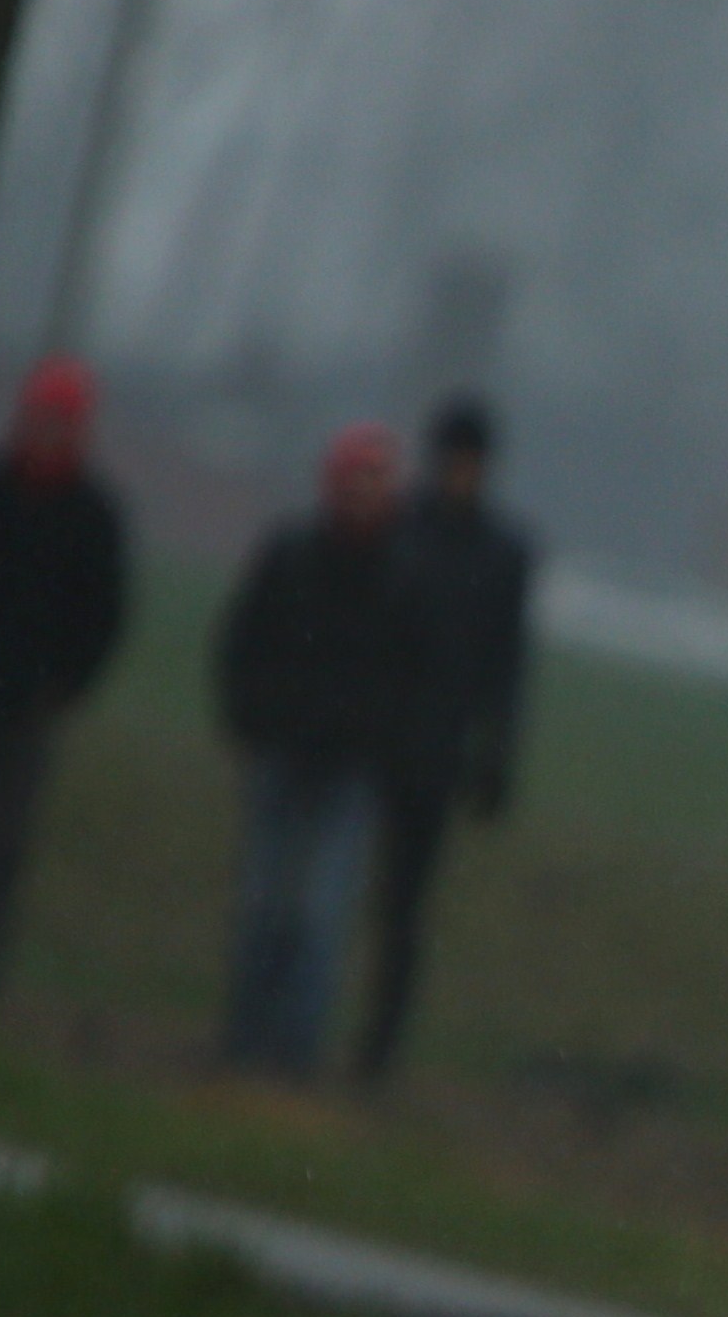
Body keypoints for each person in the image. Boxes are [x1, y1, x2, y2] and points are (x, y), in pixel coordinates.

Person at [211, 427, 429, 1074]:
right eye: (356, 478)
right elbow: (243, 637)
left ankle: (294, 1054)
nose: (364, 492)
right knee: (263, 902)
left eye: (377, 480)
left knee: (319, 915)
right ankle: (242, 1040)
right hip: (282, 749)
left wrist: (385, 744)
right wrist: (250, 717)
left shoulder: (404, 574)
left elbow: (415, 676)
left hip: (354, 768)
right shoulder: (291, 552)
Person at [354, 394, 537, 1085]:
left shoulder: (503, 555)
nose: (462, 473)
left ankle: (379, 1046)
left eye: (472, 462)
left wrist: (497, 755)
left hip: (436, 755)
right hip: (370, 740)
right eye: (455, 460)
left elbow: (507, 667)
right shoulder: (398, 529)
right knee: (345, 890)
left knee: (405, 908)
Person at [0, 358, 133, 1007]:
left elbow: (104, 613)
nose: (49, 431)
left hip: (30, 707)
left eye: (62, 421)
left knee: (5, 847)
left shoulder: (93, 514)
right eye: (41, 417)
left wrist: (67, 683)